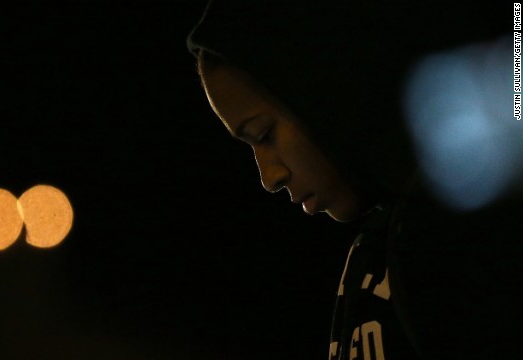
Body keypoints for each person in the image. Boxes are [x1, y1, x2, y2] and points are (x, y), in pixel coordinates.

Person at [186, 1, 522, 359]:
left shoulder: (476, 238)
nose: (269, 177)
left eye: (264, 133)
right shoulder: (382, 240)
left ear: (333, 88)